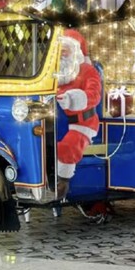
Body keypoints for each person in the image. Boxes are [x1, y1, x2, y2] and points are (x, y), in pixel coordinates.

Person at [55, 28, 102, 198]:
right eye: (60, 49)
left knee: (68, 146)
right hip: (55, 122)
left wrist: (75, 99)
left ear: (77, 51)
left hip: (82, 123)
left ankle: (63, 181)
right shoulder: (55, 73)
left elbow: (94, 95)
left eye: (66, 49)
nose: (63, 53)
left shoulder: (88, 71)